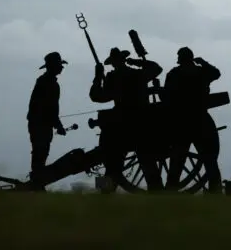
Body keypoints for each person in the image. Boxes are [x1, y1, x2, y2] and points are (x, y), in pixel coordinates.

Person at [89, 47, 164, 192]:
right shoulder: (137, 74)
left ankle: (104, 195)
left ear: (113, 63)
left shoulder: (113, 78)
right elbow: (157, 68)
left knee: (111, 164)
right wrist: (136, 62)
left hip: (120, 125)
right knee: (148, 163)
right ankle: (158, 193)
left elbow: (97, 96)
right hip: (141, 123)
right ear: (124, 60)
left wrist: (98, 76)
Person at [164, 47, 223, 193]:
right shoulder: (202, 72)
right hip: (202, 119)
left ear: (180, 59)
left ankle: (170, 192)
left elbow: (165, 98)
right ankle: (215, 192)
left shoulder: (174, 74)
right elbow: (216, 73)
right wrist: (203, 62)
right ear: (191, 58)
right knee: (210, 161)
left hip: (182, 122)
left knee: (177, 161)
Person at [27, 52, 67, 190]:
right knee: (40, 152)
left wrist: (56, 124)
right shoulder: (49, 83)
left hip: (38, 123)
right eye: (60, 65)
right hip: (40, 124)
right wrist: (59, 126)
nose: (62, 68)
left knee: (40, 153)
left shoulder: (45, 81)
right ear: (53, 67)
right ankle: (37, 183)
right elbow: (50, 108)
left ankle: (37, 182)